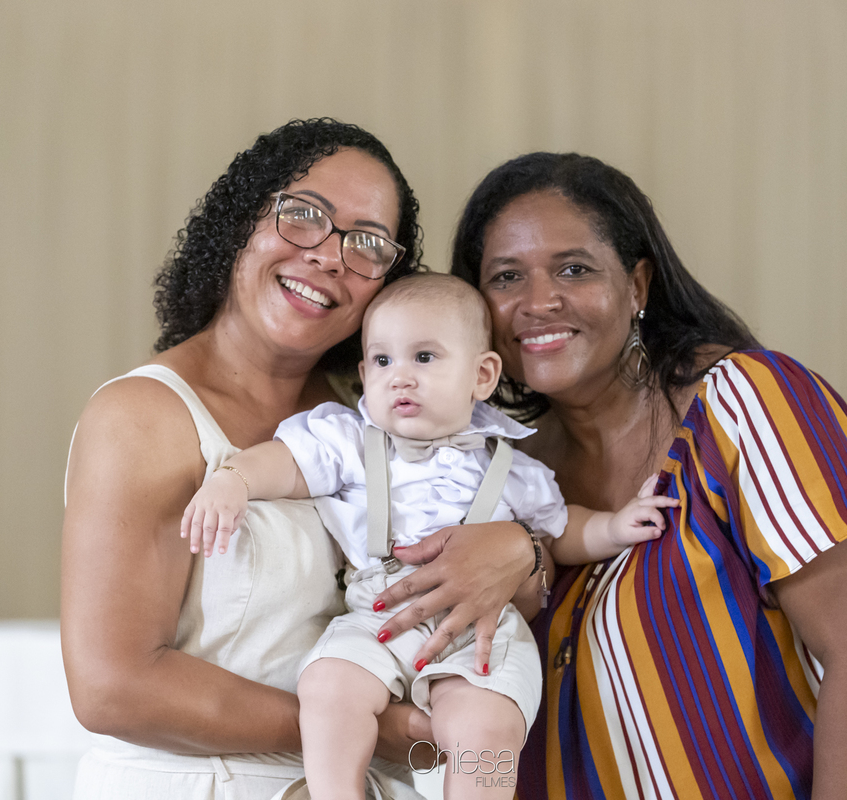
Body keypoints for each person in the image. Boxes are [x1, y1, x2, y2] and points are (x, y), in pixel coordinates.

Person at [60, 119, 538, 799]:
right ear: (240, 222)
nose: (330, 256)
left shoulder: (371, 413)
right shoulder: (143, 416)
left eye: (366, 242)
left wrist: (521, 549)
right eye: (303, 214)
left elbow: (498, 525)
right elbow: (113, 688)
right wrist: (362, 725)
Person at [429, 151, 847, 799]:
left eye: (574, 269)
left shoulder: (744, 403)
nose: (539, 301)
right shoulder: (498, 473)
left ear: (638, 286)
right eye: (505, 277)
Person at [181, 272, 678, 800]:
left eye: (423, 357)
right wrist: (234, 480)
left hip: (482, 628)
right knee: (327, 685)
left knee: (486, 726)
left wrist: (615, 525)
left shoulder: (510, 467)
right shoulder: (351, 441)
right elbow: (288, 464)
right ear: (363, 374)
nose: (400, 377)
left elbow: (562, 531)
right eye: (382, 360)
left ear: (481, 376)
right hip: (379, 614)